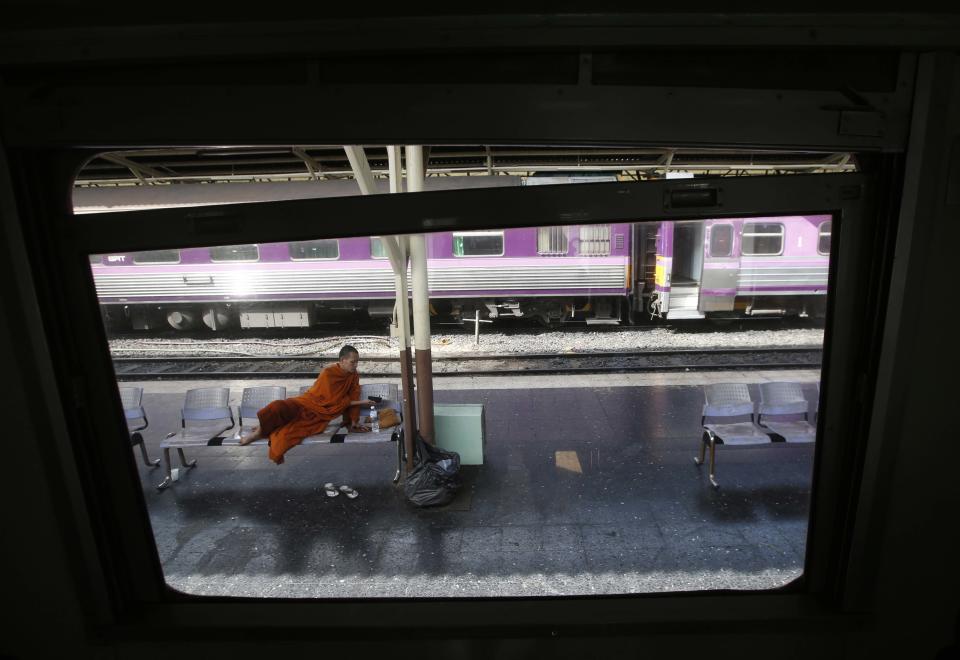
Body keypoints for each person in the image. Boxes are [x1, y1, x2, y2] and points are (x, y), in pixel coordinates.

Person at [238, 345, 377, 464]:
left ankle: (260, 432)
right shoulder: (328, 373)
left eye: (357, 362)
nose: (356, 365)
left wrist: (353, 421)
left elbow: (352, 395)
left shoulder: (353, 375)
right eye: (353, 362)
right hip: (304, 403)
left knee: (289, 431)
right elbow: (331, 401)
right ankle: (261, 430)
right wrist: (362, 402)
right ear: (342, 360)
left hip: (317, 415)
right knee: (277, 406)